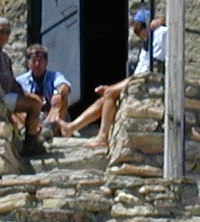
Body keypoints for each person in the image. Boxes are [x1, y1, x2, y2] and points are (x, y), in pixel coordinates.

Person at [60, 9, 163, 149]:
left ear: (147, 25)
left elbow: (175, 21)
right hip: (137, 78)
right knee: (105, 97)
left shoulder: (160, 33)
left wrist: (162, 20)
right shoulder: (147, 43)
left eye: (139, 30)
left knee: (109, 93)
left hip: (146, 80)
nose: (139, 35)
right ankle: (71, 127)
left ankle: (102, 137)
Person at [0, 17, 45, 157]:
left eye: (8, 32)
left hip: (5, 94)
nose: (5, 36)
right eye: (1, 31)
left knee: (34, 100)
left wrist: (26, 95)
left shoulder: (2, 52)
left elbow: (10, 81)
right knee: (34, 105)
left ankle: (31, 139)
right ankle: (30, 147)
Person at [19, 44, 71, 135]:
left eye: (40, 61)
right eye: (34, 61)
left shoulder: (54, 76)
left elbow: (65, 85)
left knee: (63, 98)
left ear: (46, 62)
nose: (37, 64)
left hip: (52, 115)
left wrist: (57, 93)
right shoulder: (21, 81)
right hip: (33, 116)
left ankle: (50, 128)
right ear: (28, 62)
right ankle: (28, 129)